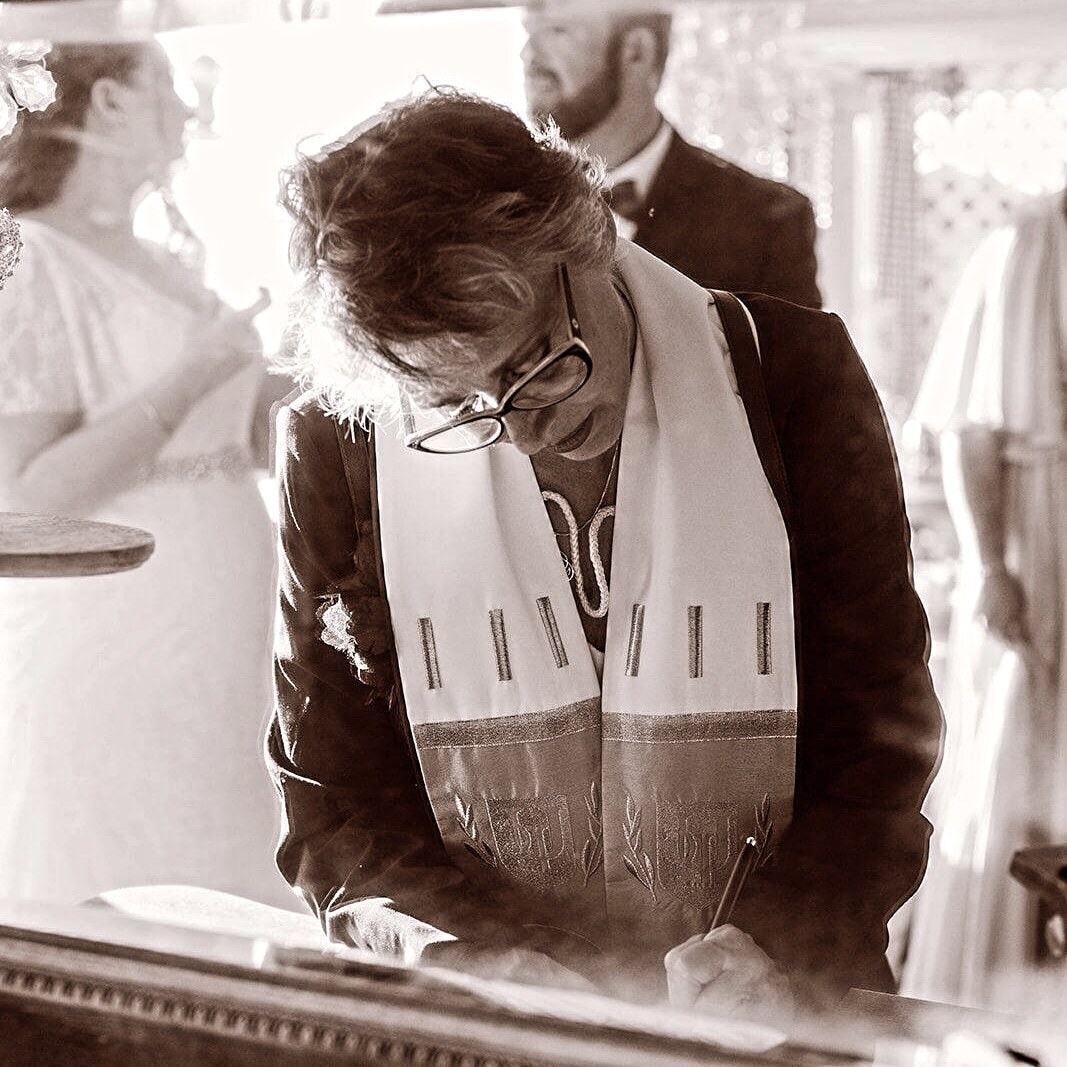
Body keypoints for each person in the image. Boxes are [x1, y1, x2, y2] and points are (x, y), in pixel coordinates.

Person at [267, 88, 942, 1023]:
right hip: (488, 1021)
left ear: (584, 233)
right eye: (459, 406)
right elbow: (332, 799)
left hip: (774, 1006)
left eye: (536, 360)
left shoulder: (793, 375)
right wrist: (470, 957)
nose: (523, 433)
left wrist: (775, 942)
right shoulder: (342, 444)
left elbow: (879, 737)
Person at [0, 40, 295, 909]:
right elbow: (25, 495)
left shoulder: (164, 254)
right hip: (111, 635)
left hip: (222, 636)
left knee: (225, 878)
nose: (190, 110)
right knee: (117, 880)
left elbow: (234, 434)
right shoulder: (28, 259)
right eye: (166, 84)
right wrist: (194, 374)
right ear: (108, 101)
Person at [901, 193, 1067, 1014]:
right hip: (1043, 543)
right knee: (1024, 753)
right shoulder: (1030, 242)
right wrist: (989, 566)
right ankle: (1007, 992)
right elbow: (970, 427)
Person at [520, 0, 822, 309]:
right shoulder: (507, 202)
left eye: (557, 30)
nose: (528, 54)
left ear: (637, 51)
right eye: (528, 31)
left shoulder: (767, 223)